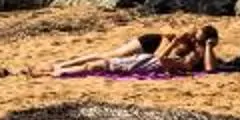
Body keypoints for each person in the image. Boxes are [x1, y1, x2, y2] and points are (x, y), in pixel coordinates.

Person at [53, 27, 217, 78]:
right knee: (110, 55)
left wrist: (209, 46)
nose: (195, 40)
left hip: (151, 57)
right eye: (196, 38)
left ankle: (63, 68)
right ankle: (63, 64)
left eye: (199, 40)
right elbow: (162, 51)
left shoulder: (201, 50)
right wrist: (174, 43)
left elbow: (209, 68)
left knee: (107, 60)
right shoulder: (188, 38)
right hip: (153, 43)